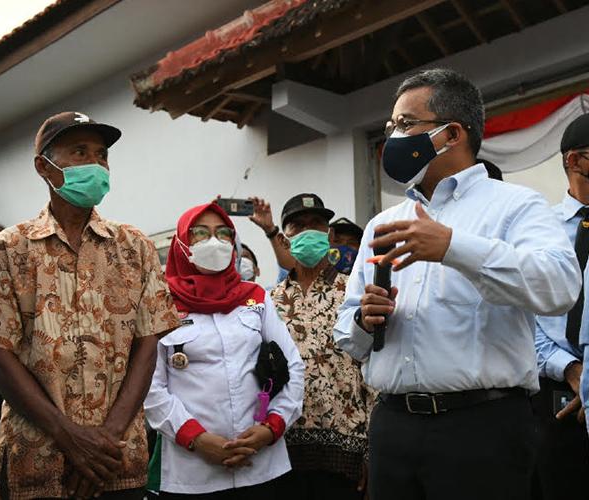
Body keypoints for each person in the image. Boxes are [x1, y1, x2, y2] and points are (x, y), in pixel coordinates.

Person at [333, 68, 581, 500]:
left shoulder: (516, 205)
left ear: (451, 134)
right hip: (393, 426)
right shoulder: (383, 222)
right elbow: (347, 337)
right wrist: (363, 318)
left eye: (406, 124)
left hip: (482, 429)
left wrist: (452, 247)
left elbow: (559, 286)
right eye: (391, 127)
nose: (393, 137)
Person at [0, 112, 181, 500]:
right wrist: (69, 437)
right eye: (79, 151)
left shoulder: (134, 246)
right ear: (44, 167)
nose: (96, 164)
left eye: (102, 155)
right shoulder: (7, 249)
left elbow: (148, 343)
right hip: (37, 458)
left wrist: (104, 440)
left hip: (117, 460)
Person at [144, 202, 304, 499]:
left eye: (223, 234)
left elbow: (292, 366)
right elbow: (150, 387)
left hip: (262, 463)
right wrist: (198, 439)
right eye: (200, 234)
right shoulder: (159, 303)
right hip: (193, 470)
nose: (214, 242)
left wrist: (271, 428)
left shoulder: (255, 298)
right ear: (181, 243)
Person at [269, 195, 374, 499]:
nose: (308, 231)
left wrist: (372, 449)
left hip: (347, 450)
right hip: (284, 447)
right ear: (284, 239)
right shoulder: (268, 300)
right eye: (298, 226)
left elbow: (374, 367)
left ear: (329, 235)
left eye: (316, 224)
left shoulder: (354, 291)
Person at [531, 113, 589, 499]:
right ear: (574, 160)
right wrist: (573, 372)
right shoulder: (540, 230)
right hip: (557, 398)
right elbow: (522, 317)